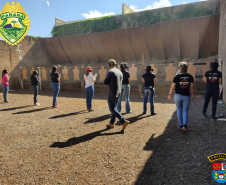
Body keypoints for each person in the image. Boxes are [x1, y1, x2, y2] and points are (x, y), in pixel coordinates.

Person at [104, 59, 130, 134]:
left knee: (112, 109)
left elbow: (105, 82)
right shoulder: (120, 72)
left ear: (110, 65)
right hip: (118, 92)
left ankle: (123, 121)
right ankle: (111, 123)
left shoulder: (110, 72)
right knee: (114, 108)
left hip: (112, 93)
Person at [168, 61, 194, 131]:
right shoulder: (190, 76)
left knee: (179, 110)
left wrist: (170, 94)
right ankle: (185, 125)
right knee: (185, 111)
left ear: (179, 68)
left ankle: (180, 125)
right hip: (186, 96)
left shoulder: (176, 77)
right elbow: (191, 87)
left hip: (178, 95)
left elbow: (172, 87)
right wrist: (192, 95)